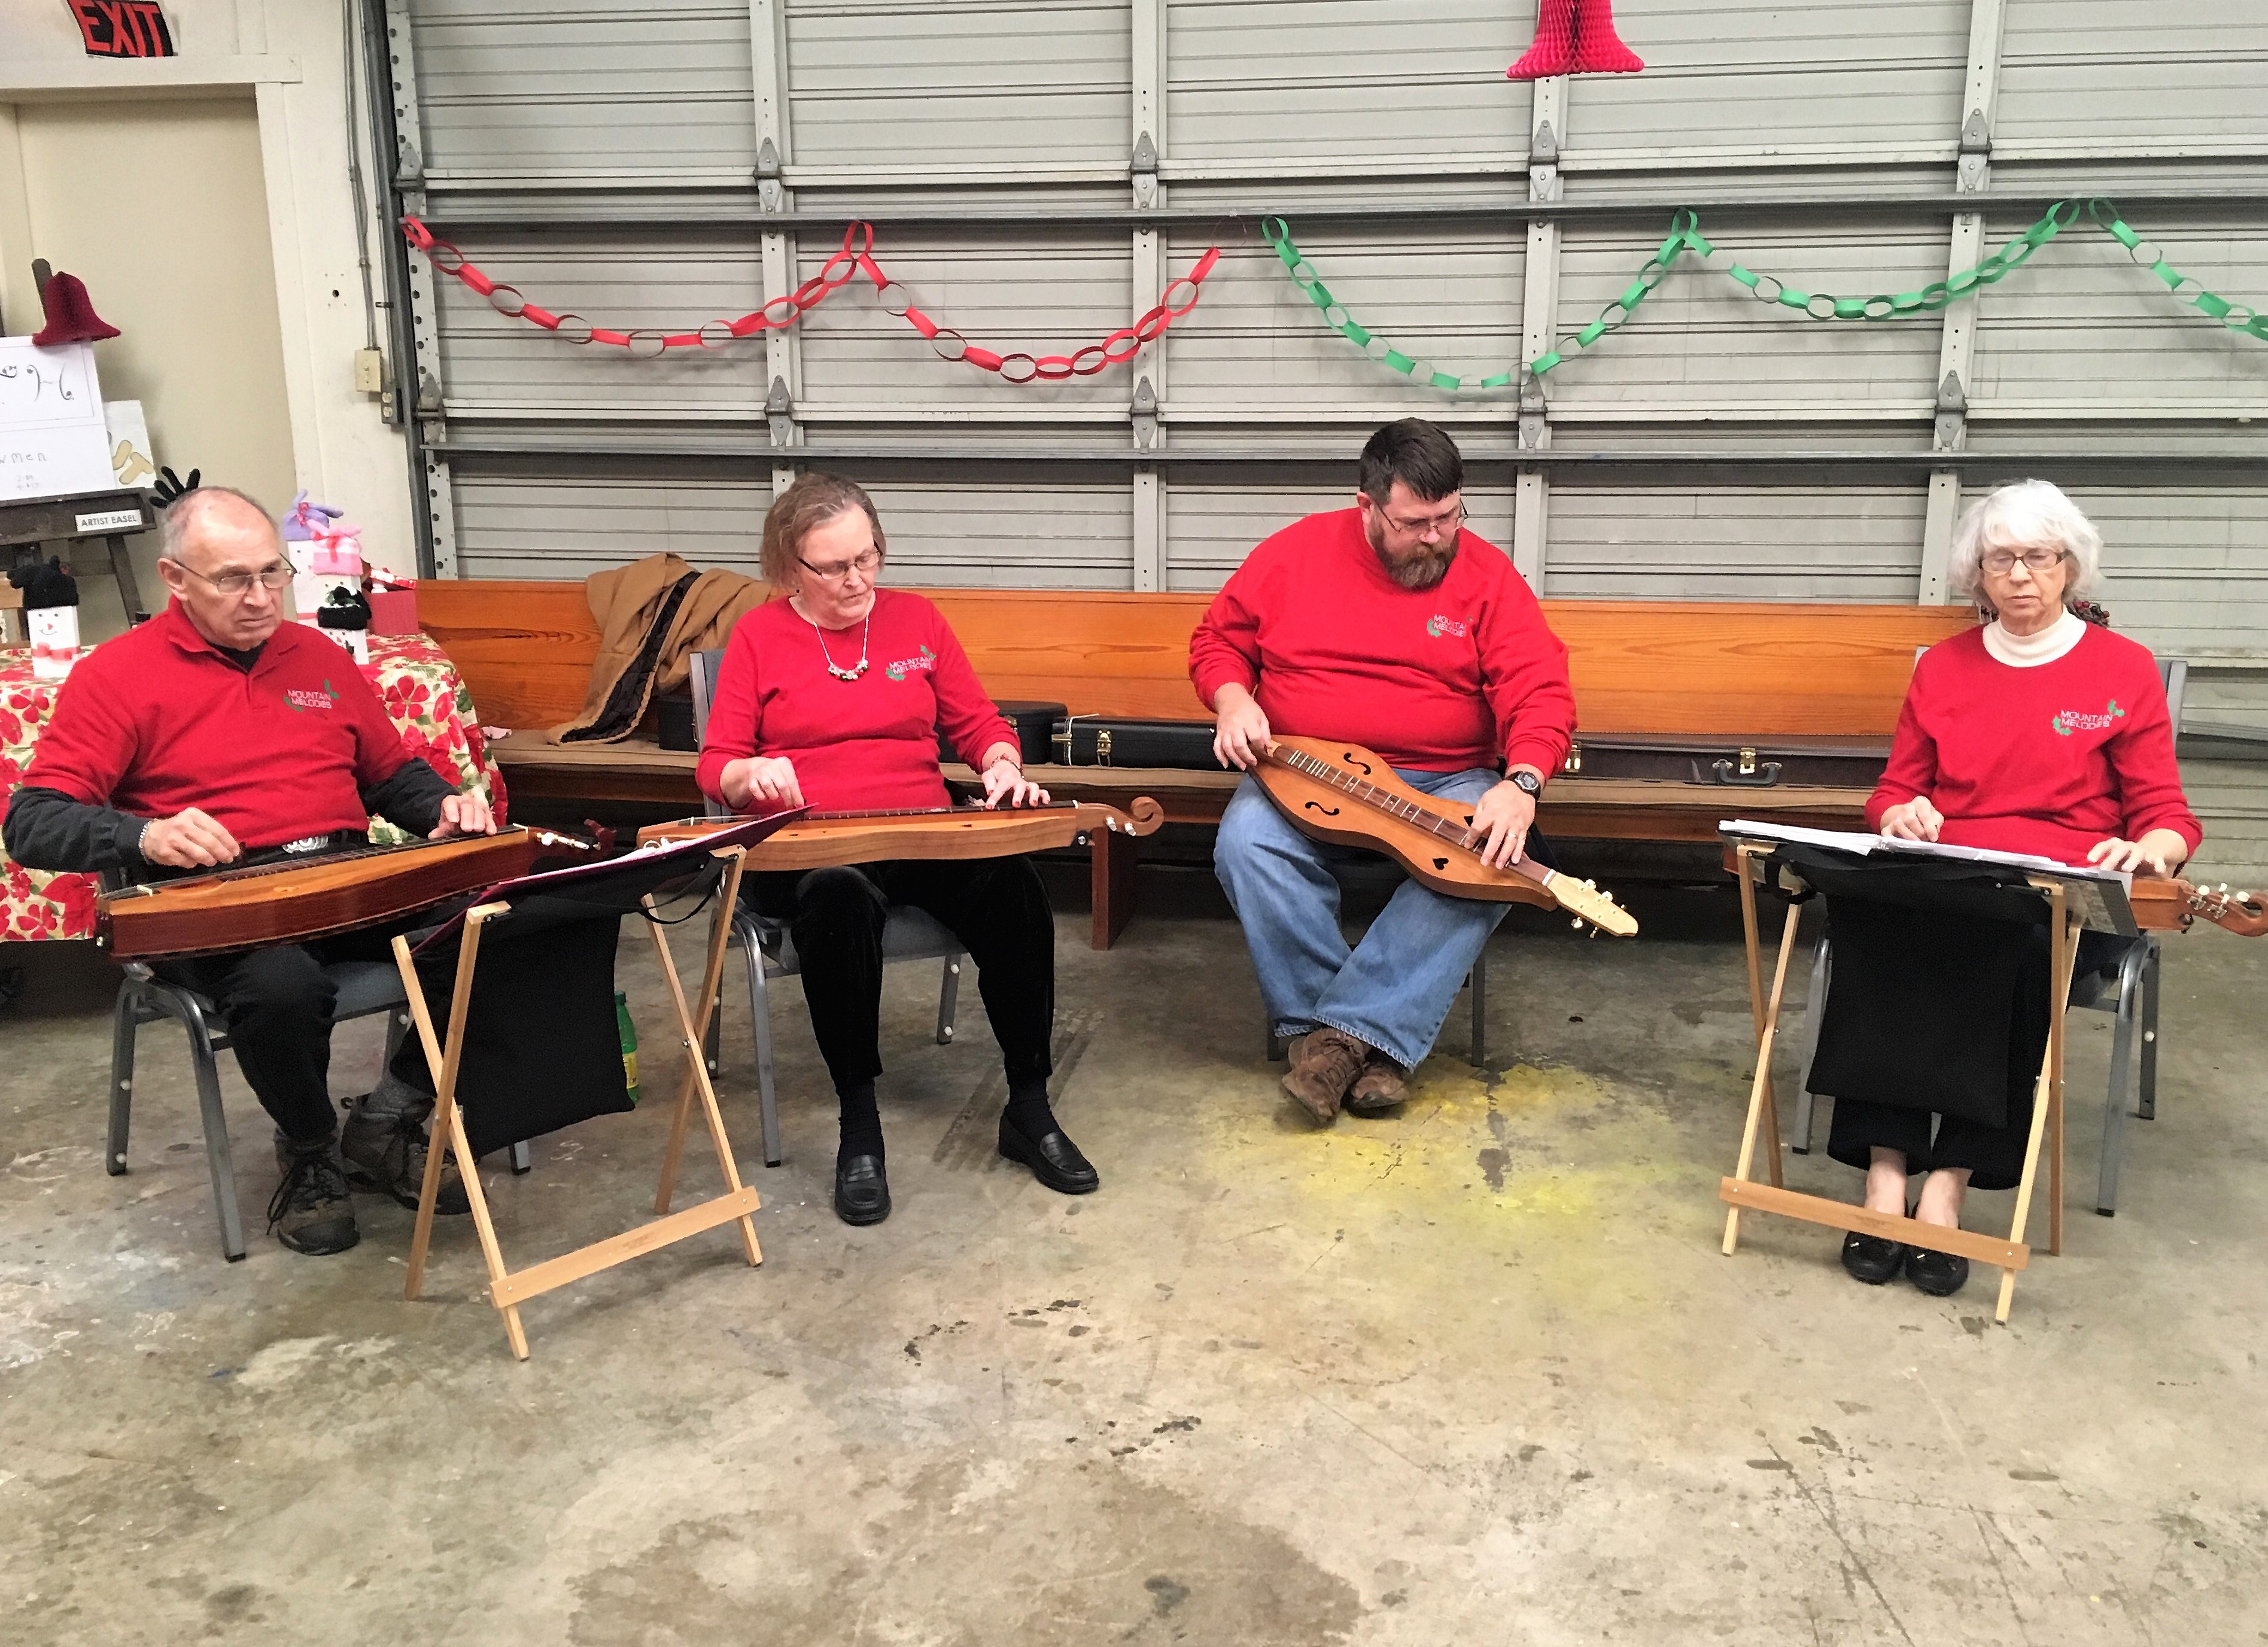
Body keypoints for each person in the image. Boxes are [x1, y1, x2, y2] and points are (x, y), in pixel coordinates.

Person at [4, 487, 497, 1256]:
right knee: (282, 987)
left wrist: (442, 805)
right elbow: (30, 822)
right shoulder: (118, 675)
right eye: (233, 579)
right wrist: (146, 835)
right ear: (173, 578)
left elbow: (390, 774)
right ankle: (309, 1150)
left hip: (343, 873)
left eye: (273, 573)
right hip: (221, 898)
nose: (262, 598)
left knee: (500, 922)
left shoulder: (318, 655)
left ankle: (389, 1116)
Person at [1820, 479, 2201, 1297]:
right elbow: (1890, 791)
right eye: (2002, 559)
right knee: (1866, 919)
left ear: (2070, 567)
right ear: (1976, 574)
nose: (2021, 576)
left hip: (2059, 892)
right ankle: (1885, 1171)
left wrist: (2150, 849)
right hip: (1949, 874)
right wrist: (1904, 812)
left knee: (2016, 949)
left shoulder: (2121, 670)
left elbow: (2167, 813)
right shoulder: (1945, 669)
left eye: (2039, 557)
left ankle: (1949, 1187)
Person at [695, 472, 1095, 1226]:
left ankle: (1029, 1107)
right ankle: (859, 1125)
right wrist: (750, 773)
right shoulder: (758, 636)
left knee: (1013, 885)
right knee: (837, 900)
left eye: (868, 557)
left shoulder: (917, 621)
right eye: (835, 567)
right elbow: (715, 762)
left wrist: (1002, 765)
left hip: (920, 827)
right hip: (814, 845)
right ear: (790, 570)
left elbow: (978, 724)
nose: (857, 579)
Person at [1190, 419, 1577, 1123]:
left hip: (1446, 774)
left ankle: (1344, 1043)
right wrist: (1231, 697)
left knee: (1490, 856)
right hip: (1308, 770)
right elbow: (1218, 641)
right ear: (1366, 504)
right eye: (1415, 523)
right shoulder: (1293, 555)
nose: (1436, 537)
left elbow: (1540, 689)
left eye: (1449, 516)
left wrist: (1520, 784)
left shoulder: (1485, 576)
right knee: (1247, 842)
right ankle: (1345, 1037)